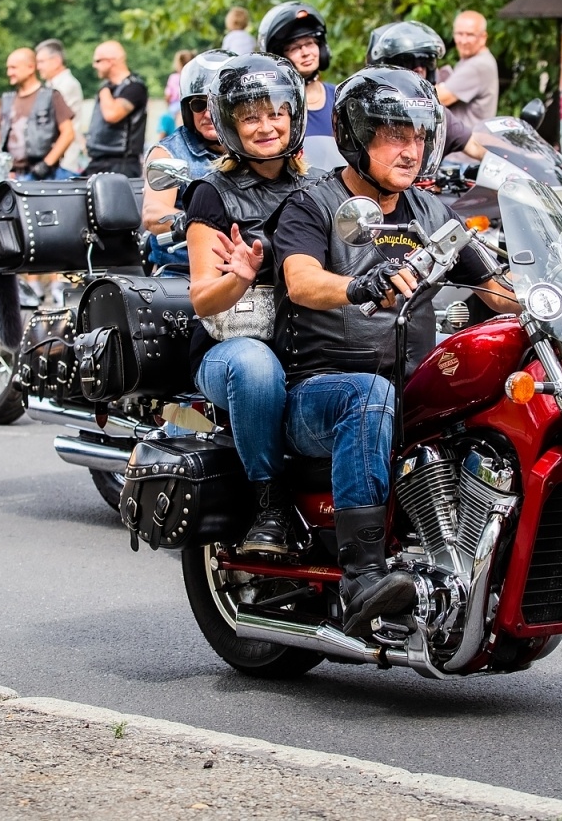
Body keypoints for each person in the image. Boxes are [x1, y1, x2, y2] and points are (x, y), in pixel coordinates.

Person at [273, 67, 518, 635]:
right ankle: (362, 578)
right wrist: (357, 286)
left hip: (407, 390)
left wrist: (552, 302)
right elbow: (301, 280)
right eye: (394, 136)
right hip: (319, 393)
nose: (412, 150)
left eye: (420, 137)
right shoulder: (314, 203)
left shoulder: (431, 213)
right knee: (370, 396)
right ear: (356, 137)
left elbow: (493, 286)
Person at [184, 54, 323, 556]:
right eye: (250, 117)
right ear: (230, 125)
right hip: (230, 345)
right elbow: (202, 300)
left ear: (294, 116)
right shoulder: (212, 194)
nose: (266, 127)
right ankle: (270, 504)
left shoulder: (319, 187)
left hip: (305, 340)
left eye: (276, 113)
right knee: (255, 365)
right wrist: (239, 278)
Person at [143, 49, 231, 273]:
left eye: (216, 103)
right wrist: (188, 221)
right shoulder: (169, 153)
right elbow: (153, 212)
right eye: (199, 104)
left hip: (244, 268)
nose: (208, 113)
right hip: (183, 271)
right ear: (187, 108)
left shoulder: (251, 149)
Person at [0, 47, 76, 180]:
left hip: (42, 175)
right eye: (8, 68)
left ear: (30, 68)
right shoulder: (7, 100)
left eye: (13, 68)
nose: (9, 73)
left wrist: (46, 164)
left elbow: (68, 133)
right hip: (12, 174)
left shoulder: (50, 96)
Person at [259, 3, 336, 137]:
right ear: (280, 57)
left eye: (309, 43)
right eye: (294, 48)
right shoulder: (273, 108)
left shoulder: (339, 97)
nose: (305, 53)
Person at [434, 11, 498, 153]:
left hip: (465, 154)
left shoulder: (478, 65)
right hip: (463, 150)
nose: (463, 41)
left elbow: (438, 99)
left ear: (483, 37)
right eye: (459, 34)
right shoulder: (469, 60)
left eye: (469, 35)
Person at [84, 41, 149, 177]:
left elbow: (112, 115)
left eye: (97, 61)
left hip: (121, 164)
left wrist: (104, 90)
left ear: (110, 61)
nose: (94, 65)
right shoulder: (109, 88)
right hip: (98, 162)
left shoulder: (134, 87)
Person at [36, 39, 88, 171]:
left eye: (41, 62)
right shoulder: (50, 85)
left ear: (56, 61)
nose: (38, 67)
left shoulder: (67, 85)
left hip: (65, 159)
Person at [161, 49, 196, 140]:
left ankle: (161, 142)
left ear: (179, 63)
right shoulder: (195, 77)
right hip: (191, 106)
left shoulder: (173, 77)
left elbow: (168, 96)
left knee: (164, 120)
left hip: (175, 107)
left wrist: (168, 105)